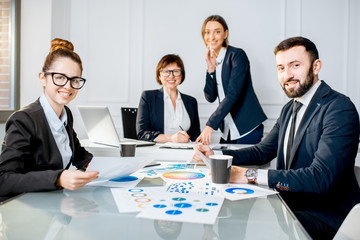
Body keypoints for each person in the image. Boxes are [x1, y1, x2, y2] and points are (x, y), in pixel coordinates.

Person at [193, 36, 360, 239]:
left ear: (316, 66)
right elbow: (263, 151)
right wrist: (216, 155)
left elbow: (320, 177)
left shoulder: (339, 108)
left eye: (295, 65)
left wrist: (249, 176)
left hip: (326, 219)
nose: (287, 75)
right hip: (288, 210)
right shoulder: (289, 109)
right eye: (281, 68)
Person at [0, 38, 99, 202]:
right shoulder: (23, 120)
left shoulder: (65, 113)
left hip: (54, 205)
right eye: (60, 77)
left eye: (74, 80)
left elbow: (80, 156)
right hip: (25, 210)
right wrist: (58, 178)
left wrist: (116, 168)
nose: (68, 86)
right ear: (43, 78)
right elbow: (4, 180)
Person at [195, 15, 267, 145]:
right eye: (207, 32)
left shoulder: (237, 55)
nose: (211, 37)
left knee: (243, 165)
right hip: (228, 129)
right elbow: (210, 97)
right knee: (225, 165)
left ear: (225, 34)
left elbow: (233, 94)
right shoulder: (215, 61)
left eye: (217, 32)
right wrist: (211, 69)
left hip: (247, 126)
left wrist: (210, 125)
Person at [136, 54, 200, 143]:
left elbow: (196, 135)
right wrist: (171, 138)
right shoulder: (148, 97)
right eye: (166, 72)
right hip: (157, 152)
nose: (171, 76)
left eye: (176, 71)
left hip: (186, 152)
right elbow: (142, 134)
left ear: (181, 75)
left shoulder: (191, 101)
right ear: (159, 76)